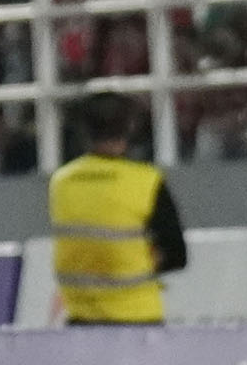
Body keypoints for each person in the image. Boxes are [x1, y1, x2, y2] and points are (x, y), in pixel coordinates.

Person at [49, 93, 187, 325]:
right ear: (130, 127)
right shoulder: (146, 181)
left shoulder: (61, 182)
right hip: (139, 320)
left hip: (81, 321)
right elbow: (176, 255)